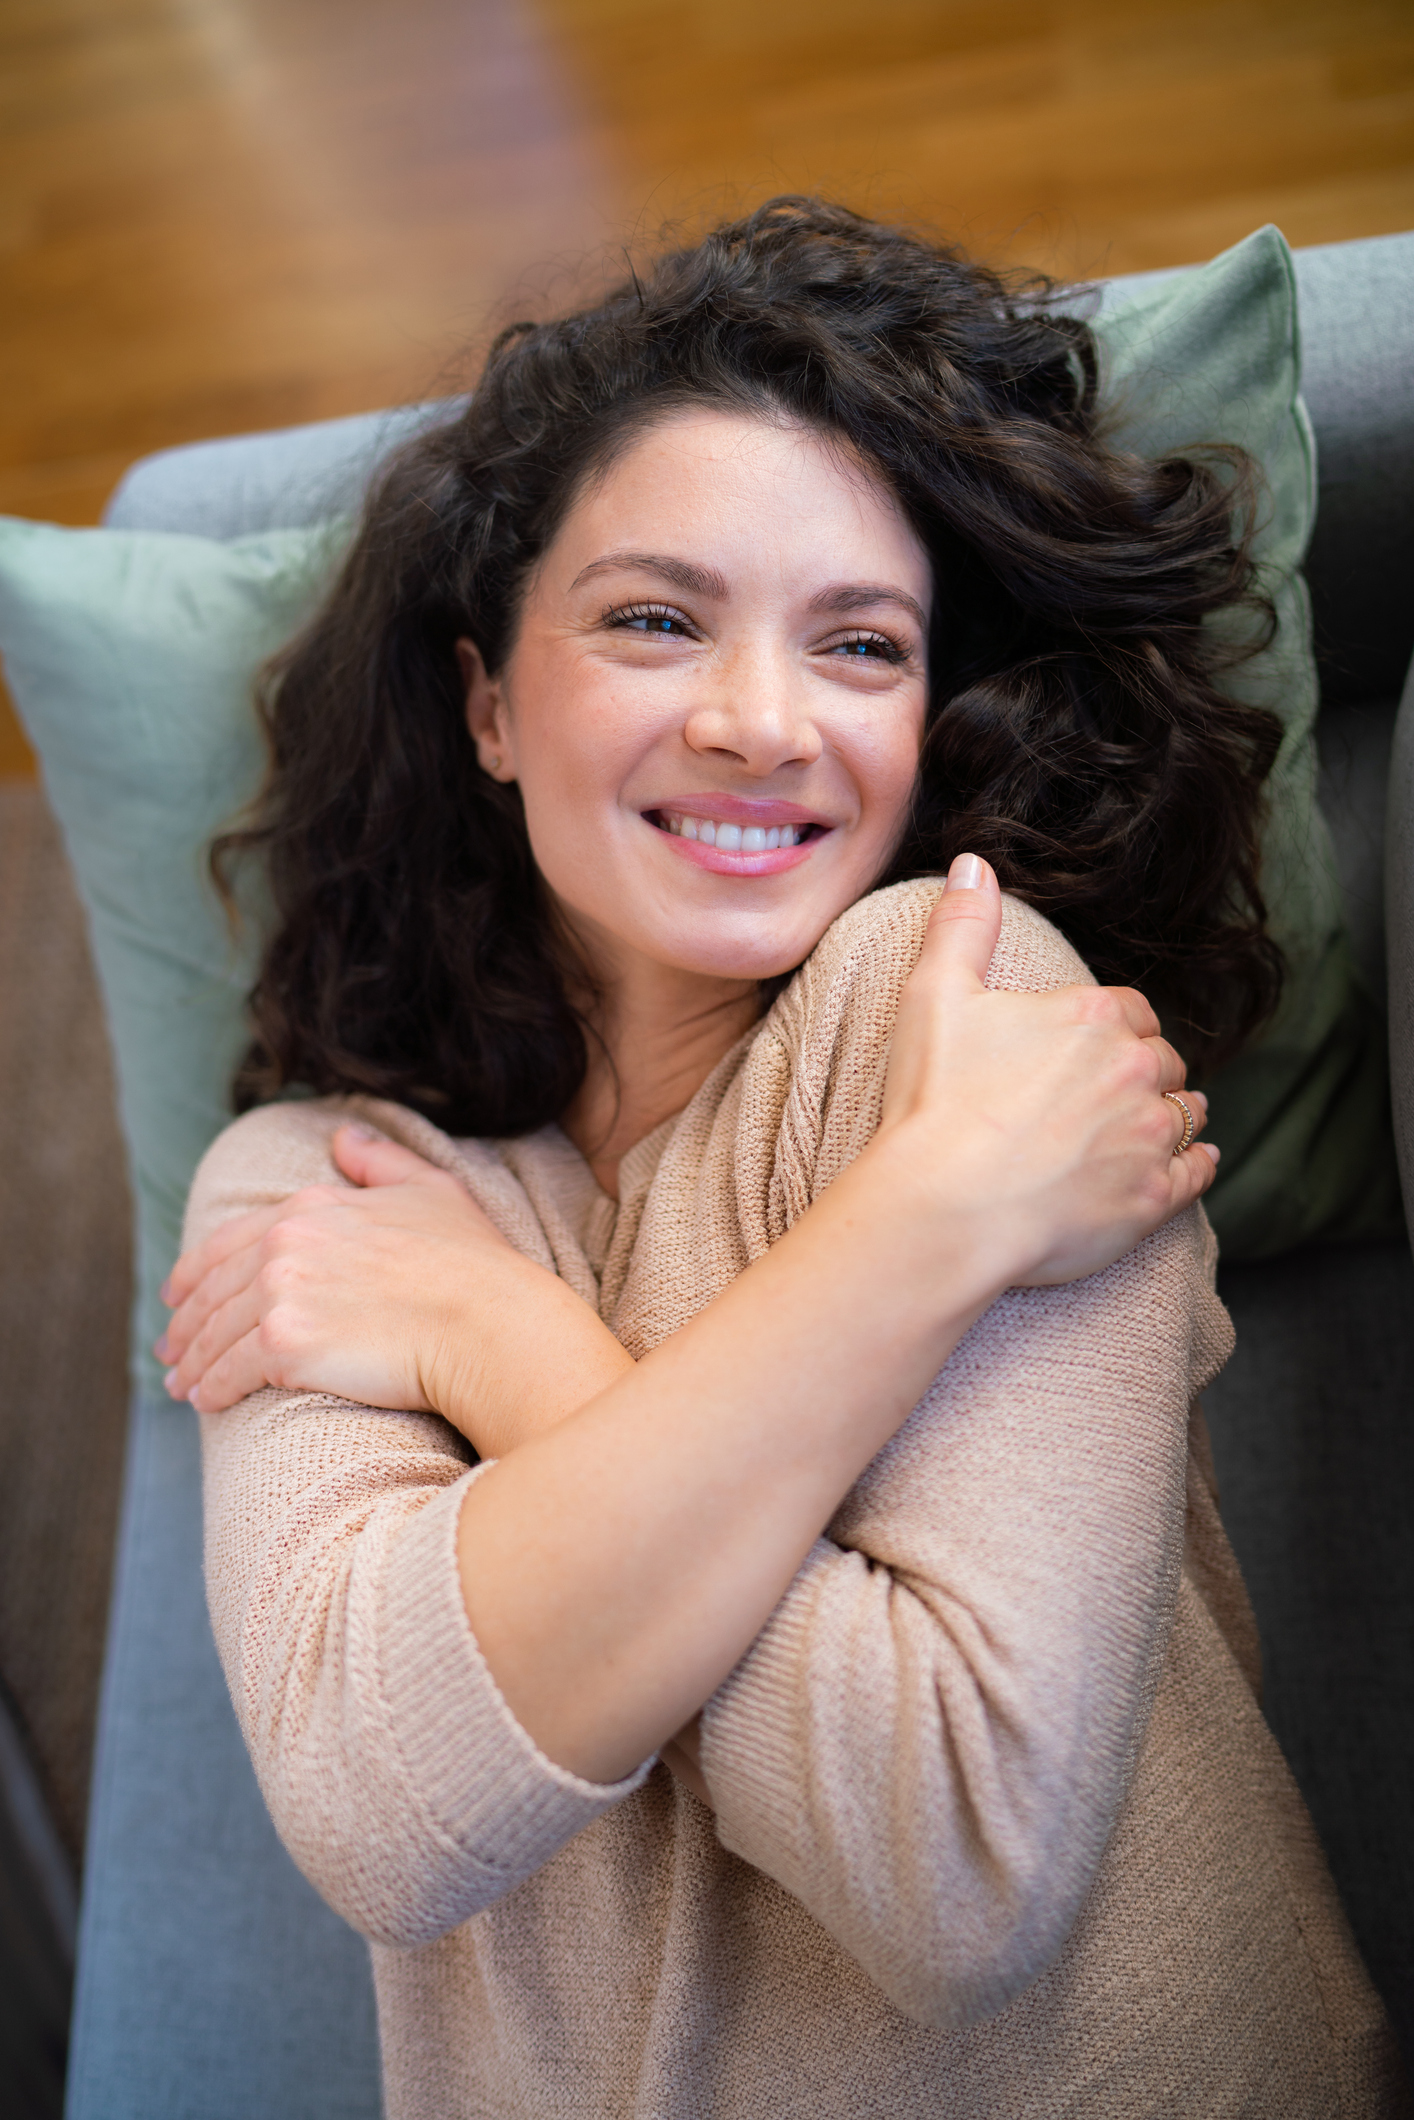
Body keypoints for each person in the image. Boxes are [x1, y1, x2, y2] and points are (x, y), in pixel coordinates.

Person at [159, 200, 1405, 2116]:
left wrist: (502, 1353)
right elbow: (384, 1805)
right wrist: (936, 1224)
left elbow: (958, 1850)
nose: (758, 722)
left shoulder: (975, 1020)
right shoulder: (317, 1188)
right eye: (655, 619)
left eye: (860, 644)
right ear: (491, 702)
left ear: (924, 721)